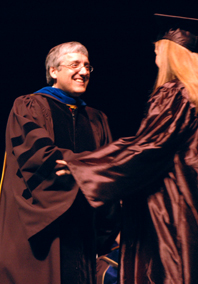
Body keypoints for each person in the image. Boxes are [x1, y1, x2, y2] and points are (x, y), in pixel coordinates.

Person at [57, 15, 198, 283]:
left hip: (170, 211)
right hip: (197, 214)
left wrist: (83, 167)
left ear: (169, 55)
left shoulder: (174, 94)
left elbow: (147, 147)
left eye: (157, 53)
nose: (155, 60)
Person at [0, 41, 120, 284]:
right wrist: (91, 168)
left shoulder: (97, 119)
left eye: (87, 66)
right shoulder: (28, 106)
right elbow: (39, 156)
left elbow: (110, 171)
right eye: (75, 64)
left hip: (82, 228)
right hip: (41, 227)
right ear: (54, 71)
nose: (84, 72)